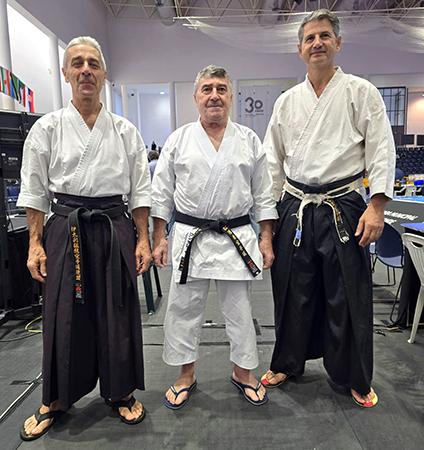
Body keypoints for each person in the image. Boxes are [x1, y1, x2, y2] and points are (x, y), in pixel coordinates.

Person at [17, 36, 151, 440]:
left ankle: (120, 390)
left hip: (113, 225)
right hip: (65, 226)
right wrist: (35, 243)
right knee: (62, 313)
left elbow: (140, 191)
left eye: (93, 63)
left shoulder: (125, 130)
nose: (86, 70)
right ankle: (56, 398)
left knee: (117, 311)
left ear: (104, 73)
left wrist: (143, 239)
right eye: (77, 63)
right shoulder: (47, 127)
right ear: (65, 73)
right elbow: (34, 191)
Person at [261, 9, 395, 408]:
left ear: (338, 43)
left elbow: (381, 149)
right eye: (309, 38)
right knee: (291, 290)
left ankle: (353, 374)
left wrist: (377, 206)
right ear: (300, 49)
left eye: (324, 36)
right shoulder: (287, 102)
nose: (317, 43)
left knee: (347, 293)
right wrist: (268, 225)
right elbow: (271, 163)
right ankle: (287, 362)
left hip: (345, 204)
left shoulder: (360, 92)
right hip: (295, 206)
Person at [151, 65, 277, 408]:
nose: (214, 95)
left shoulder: (248, 140)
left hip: (236, 235)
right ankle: (185, 375)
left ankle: (243, 372)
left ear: (231, 96)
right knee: (183, 309)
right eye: (207, 89)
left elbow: (264, 194)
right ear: (196, 97)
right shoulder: (178, 140)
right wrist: (159, 237)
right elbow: (161, 194)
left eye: (221, 89)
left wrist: (266, 238)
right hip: (190, 236)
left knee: (240, 310)